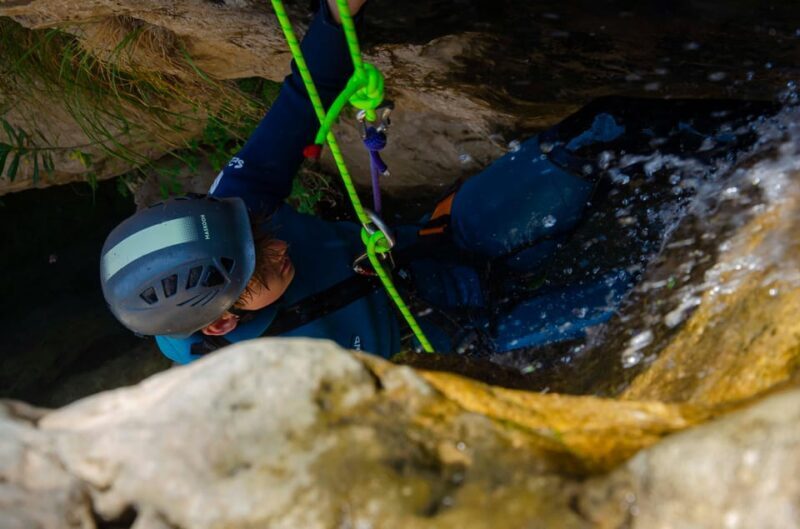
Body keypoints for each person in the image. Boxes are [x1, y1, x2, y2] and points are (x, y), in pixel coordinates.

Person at [99, 0, 778, 364]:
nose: (275, 246)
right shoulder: (247, 383)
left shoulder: (236, 209)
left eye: (260, 230)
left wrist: (339, 16)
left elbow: (303, 98)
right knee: (673, 290)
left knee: (599, 133)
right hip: (477, 329)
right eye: (255, 268)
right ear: (222, 321)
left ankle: (782, 130)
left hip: (445, 241)